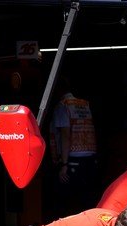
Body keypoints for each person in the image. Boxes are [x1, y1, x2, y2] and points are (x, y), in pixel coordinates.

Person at [49, 77, 100, 217]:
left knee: (67, 201)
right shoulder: (84, 104)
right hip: (90, 158)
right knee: (86, 199)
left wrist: (63, 164)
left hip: (72, 159)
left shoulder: (63, 105)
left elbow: (65, 135)